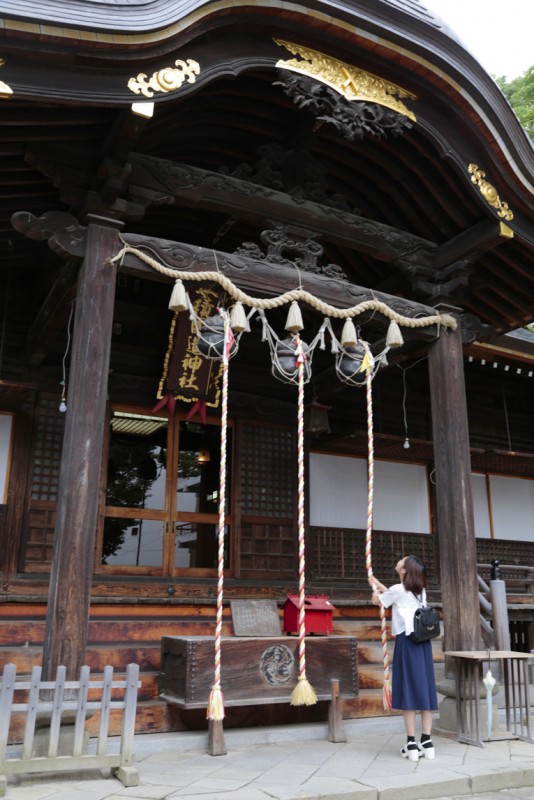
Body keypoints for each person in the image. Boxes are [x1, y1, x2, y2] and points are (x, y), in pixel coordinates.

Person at [372, 554, 438, 762]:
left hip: (407, 644)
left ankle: (411, 743)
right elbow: (395, 596)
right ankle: (426, 741)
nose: (399, 560)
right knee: (425, 690)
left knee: (409, 690)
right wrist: (379, 584)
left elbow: (379, 601)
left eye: (402, 560)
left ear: (404, 570)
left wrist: (373, 589)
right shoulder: (420, 590)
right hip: (424, 644)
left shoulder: (397, 590)